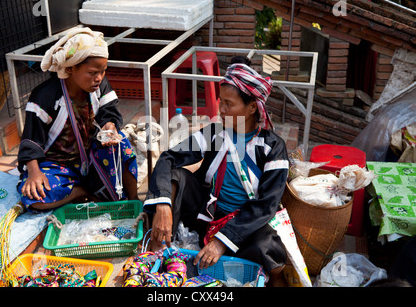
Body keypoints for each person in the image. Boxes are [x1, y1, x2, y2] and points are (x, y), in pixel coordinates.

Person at [144, 58, 289, 286]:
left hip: (244, 225)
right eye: (221, 101)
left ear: (252, 107)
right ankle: (158, 245)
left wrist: (222, 241)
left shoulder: (273, 147)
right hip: (207, 214)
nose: (221, 110)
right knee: (175, 176)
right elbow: (168, 157)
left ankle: (275, 281)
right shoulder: (214, 133)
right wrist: (163, 206)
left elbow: (267, 205)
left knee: (270, 249)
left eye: (229, 104)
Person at [17, 27, 138, 213]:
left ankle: (134, 200)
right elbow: (31, 139)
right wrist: (34, 172)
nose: (99, 78)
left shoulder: (100, 86)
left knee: (122, 144)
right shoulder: (45, 96)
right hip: (57, 166)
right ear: (71, 68)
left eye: (103, 71)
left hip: (92, 159)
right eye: (92, 73)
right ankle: (79, 192)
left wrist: (109, 126)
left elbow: (109, 112)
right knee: (34, 198)